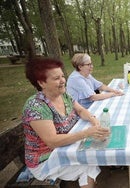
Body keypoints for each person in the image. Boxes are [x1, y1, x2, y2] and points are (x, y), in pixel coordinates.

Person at [22, 57, 110, 188]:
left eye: (62, 76)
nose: (63, 80)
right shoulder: (36, 107)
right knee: (89, 164)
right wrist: (86, 133)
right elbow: (52, 141)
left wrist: (93, 119)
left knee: (93, 154)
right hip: (46, 160)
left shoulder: (63, 95)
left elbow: (80, 110)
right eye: (56, 78)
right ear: (41, 83)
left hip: (66, 148)